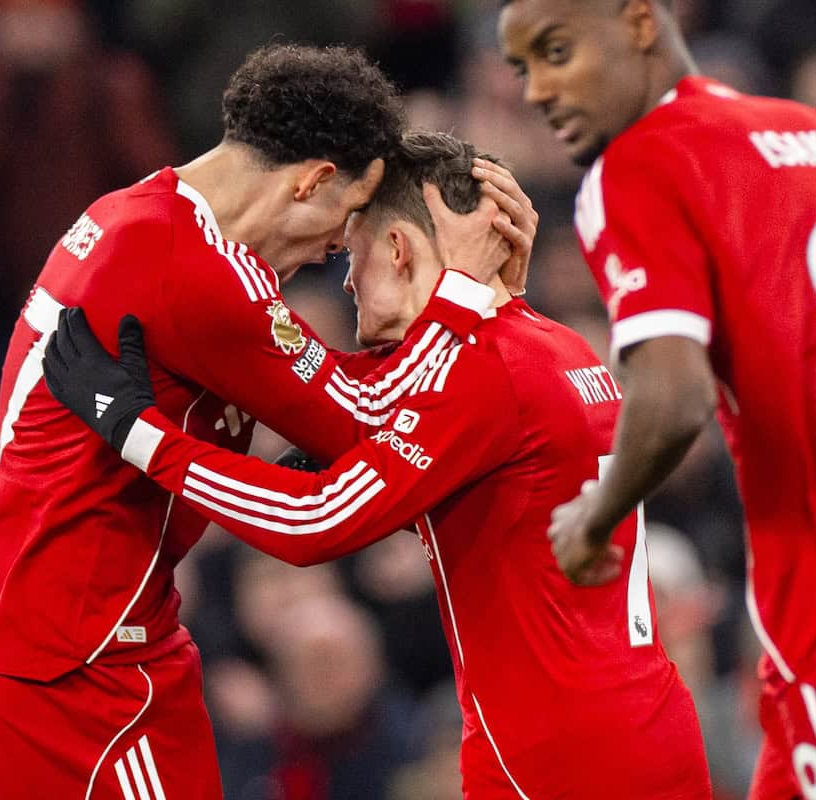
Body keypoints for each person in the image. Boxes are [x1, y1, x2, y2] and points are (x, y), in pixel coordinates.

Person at [0, 44, 525, 799]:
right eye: (345, 221)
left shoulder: (129, 213)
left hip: (8, 642)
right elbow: (374, 424)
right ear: (312, 181)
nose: (335, 252)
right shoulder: (203, 272)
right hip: (83, 674)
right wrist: (468, 293)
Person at [43, 131, 712, 799]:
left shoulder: (483, 372)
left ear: (397, 250)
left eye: (351, 252)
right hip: (649, 721)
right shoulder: (561, 346)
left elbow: (313, 519)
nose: (346, 279)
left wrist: (137, 431)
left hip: (555, 756)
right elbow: (373, 401)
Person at [495, 0, 816, 796]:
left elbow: (675, 398)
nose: (538, 89)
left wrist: (595, 517)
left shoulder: (643, 166)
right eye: (523, 68)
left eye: (557, 50)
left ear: (639, 22)